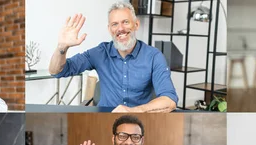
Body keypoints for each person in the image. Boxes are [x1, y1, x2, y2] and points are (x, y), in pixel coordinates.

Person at [49, 2, 178, 112]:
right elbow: (56, 71)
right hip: (105, 120)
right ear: (110, 29)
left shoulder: (154, 56)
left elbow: (170, 100)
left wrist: (134, 111)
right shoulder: (99, 53)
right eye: (115, 24)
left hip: (139, 120)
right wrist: (62, 47)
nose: (120, 29)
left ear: (136, 25)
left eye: (126, 22)